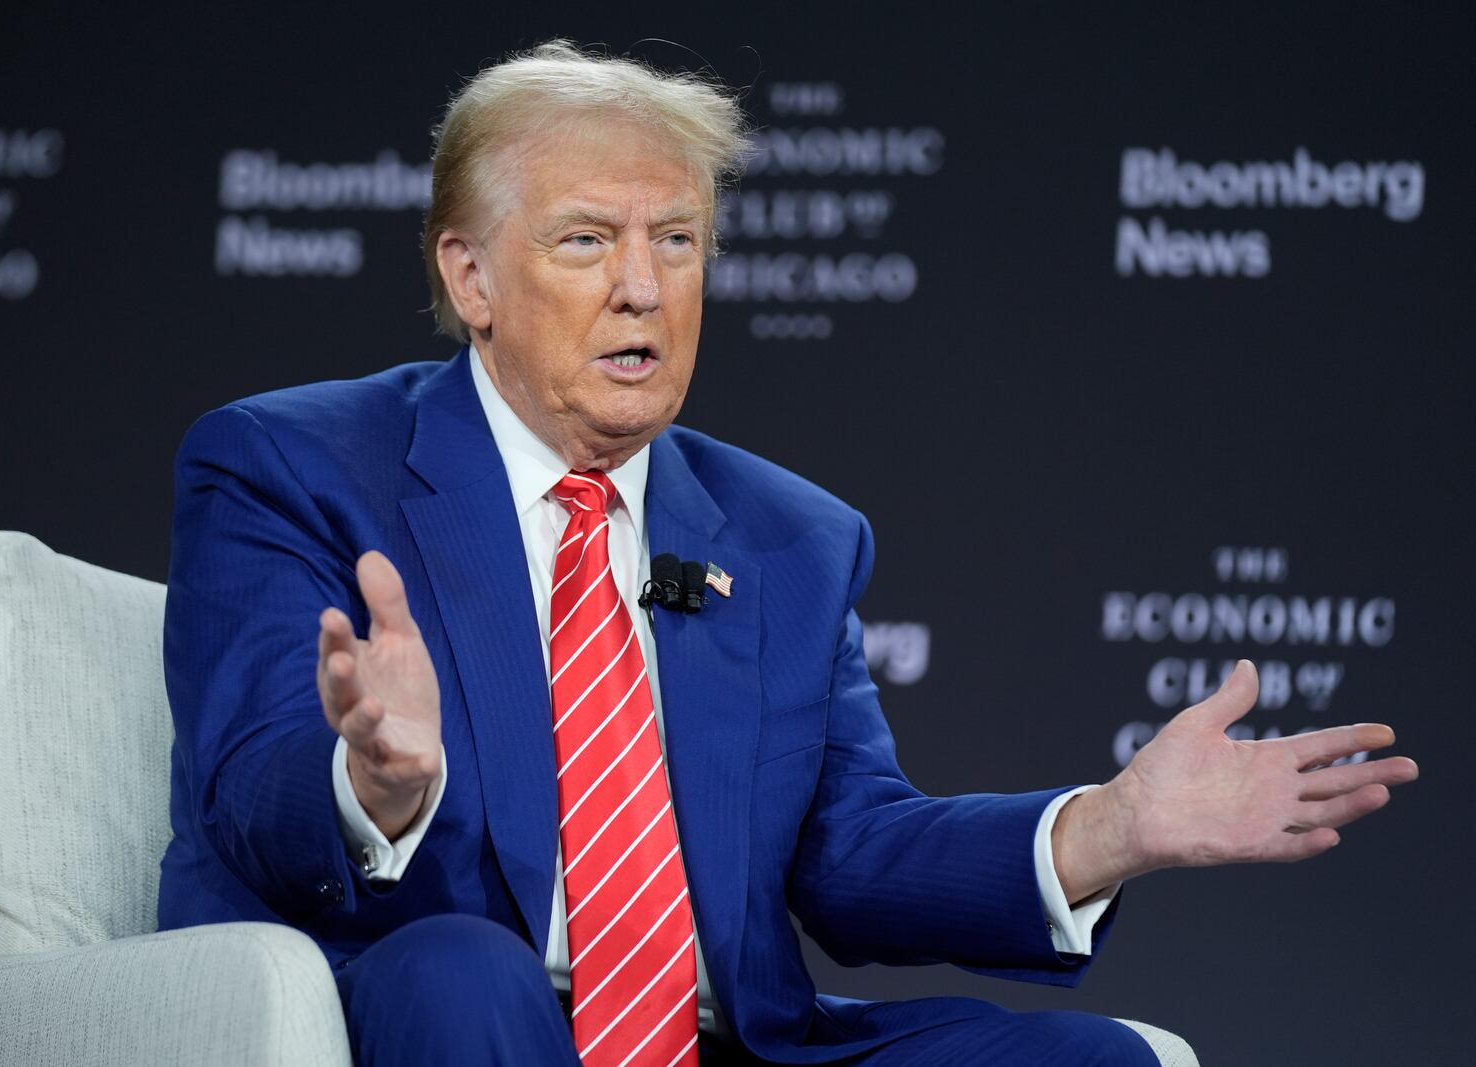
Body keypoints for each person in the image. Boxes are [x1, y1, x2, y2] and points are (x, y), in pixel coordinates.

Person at [158, 40, 1418, 1066]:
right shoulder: (291, 463)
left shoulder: (787, 537)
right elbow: (250, 785)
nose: (644, 287)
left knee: (1089, 1061)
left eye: (679, 241)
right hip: (429, 1007)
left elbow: (848, 855)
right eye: (588, 240)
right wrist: (370, 782)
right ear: (471, 275)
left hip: (721, 1040)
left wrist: (1106, 828)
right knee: (465, 964)